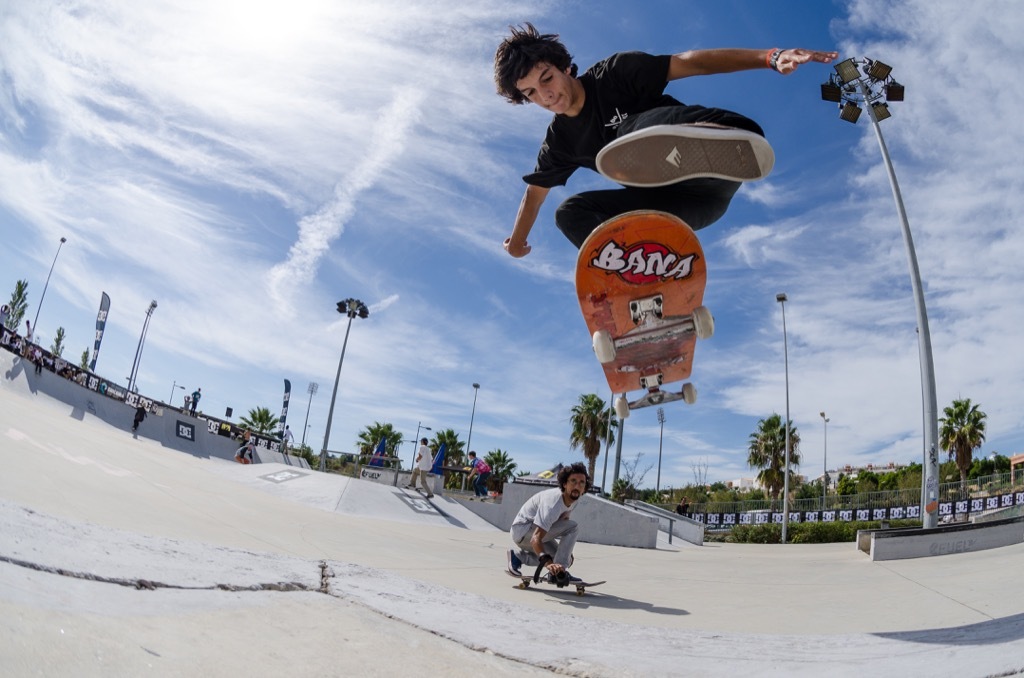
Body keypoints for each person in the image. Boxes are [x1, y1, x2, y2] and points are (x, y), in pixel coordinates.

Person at [494, 24, 838, 257]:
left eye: (547, 79)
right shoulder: (560, 142)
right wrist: (517, 242)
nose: (546, 95)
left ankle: (699, 142)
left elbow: (693, 63)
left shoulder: (615, 74)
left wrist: (770, 57)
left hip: (722, 148)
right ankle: (634, 272)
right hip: (690, 208)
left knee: (626, 135)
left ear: (565, 67)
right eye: (531, 93)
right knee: (571, 213)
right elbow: (535, 195)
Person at [506, 462, 589, 583]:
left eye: (582, 482)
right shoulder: (553, 502)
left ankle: (518, 557)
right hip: (523, 530)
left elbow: (561, 524)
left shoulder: (574, 500)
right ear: (565, 484)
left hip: (532, 532)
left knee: (565, 559)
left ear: (585, 488)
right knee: (573, 527)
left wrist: (565, 552)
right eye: (573, 481)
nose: (577, 485)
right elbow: (536, 538)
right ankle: (558, 572)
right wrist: (549, 563)